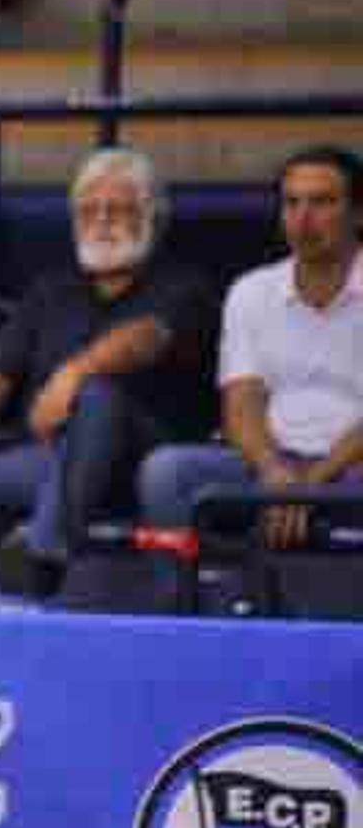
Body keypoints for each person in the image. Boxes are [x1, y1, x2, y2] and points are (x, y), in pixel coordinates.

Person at [0, 148, 216, 602]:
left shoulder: (183, 285)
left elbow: (147, 337)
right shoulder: (51, 290)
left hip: (139, 464)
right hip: (48, 462)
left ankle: (42, 559)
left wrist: (74, 373)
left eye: (118, 210)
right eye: (89, 211)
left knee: (96, 394)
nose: (102, 221)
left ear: (152, 217)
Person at [139, 146, 363, 546]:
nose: (303, 218)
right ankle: (184, 601)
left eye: (322, 202)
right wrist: (274, 474)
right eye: (292, 203)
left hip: (349, 467)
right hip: (270, 465)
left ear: (358, 214)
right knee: (167, 472)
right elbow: (241, 403)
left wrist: (313, 482)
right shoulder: (251, 291)